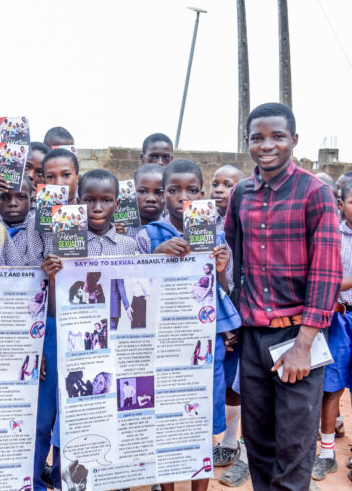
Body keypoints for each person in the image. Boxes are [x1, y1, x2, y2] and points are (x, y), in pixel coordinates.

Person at [225, 103, 341, 491]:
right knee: (258, 444)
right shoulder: (241, 194)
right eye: (258, 138)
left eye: (277, 136)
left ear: (294, 139)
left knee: (293, 448)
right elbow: (232, 258)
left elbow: (327, 275)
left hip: (297, 338)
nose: (267, 145)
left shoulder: (315, 192)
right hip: (253, 339)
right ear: (248, 143)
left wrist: (304, 345)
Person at [136, 159, 238, 491]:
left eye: (192, 190)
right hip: (163, 344)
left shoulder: (217, 234)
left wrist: (220, 269)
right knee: (165, 421)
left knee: (201, 423)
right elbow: (135, 290)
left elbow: (225, 292)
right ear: (164, 194)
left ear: (202, 193)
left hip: (205, 342)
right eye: (175, 190)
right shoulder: (148, 235)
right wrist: (156, 255)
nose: (183, 197)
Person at [38, 167, 139, 491]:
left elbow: (135, 300)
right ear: (78, 202)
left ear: (117, 202)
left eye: (106, 200)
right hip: (73, 345)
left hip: (114, 346)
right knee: (69, 412)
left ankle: (113, 478)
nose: (97, 208)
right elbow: (54, 309)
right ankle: (67, 478)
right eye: (90, 200)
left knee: (110, 411)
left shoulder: (128, 245)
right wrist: (54, 277)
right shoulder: (62, 241)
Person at [24, 148, 81, 491]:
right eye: (50, 176)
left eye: (66, 175)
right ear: (40, 181)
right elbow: (21, 280)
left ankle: (68, 481)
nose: (58, 183)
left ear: (77, 177)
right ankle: (31, 480)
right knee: (41, 416)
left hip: (85, 331)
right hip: (47, 330)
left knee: (75, 413)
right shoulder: (35, 222)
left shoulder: (93, 217)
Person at [314, 176, 352, 481]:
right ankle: (327, 452)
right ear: (340, 205)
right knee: (332, 386)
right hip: (338, 318)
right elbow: (327, 282)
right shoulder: (333, 236)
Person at [0, 175, 33, 260]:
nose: (13, 203)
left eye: (21, 197)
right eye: (4, 197)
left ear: (31, 201)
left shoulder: (38, 232)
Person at [210, 165, 245, 232]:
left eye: (228, 185)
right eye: (215, 185)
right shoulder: (205, 218)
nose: (218, 190)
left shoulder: (244, 221)